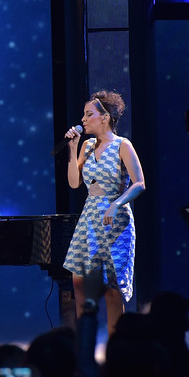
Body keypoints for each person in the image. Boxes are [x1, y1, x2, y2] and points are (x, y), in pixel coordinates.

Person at [61, 90, 146, 334]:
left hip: (115, 219)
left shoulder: (122, 145)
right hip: (90, 218)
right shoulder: (86, 146)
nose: (83, 119)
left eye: (89, 114)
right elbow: (75, 183)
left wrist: (117, 203)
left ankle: (116, 349)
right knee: (79, 281)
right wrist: (73, 147)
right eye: (84, 115)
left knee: (111, 287)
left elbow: (139, 183)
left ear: (105, 117)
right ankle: (83, 343)